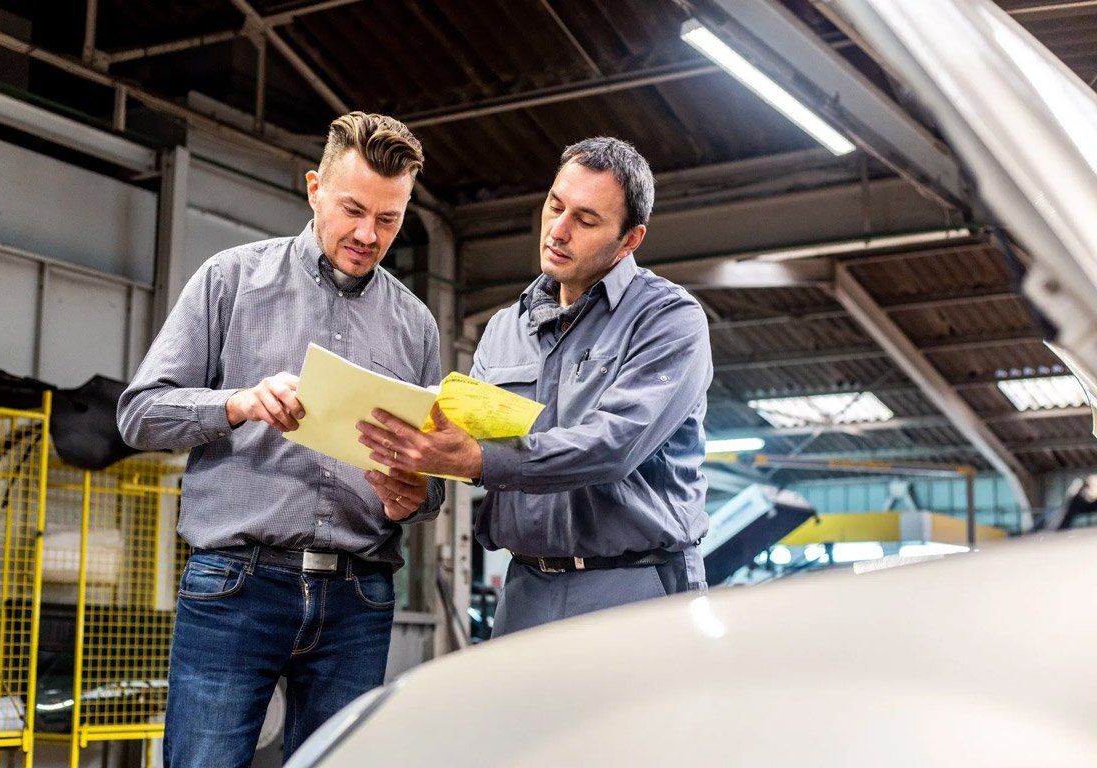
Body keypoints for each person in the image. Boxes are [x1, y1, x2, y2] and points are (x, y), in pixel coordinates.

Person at [117, 111, 444, 767]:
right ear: (314, 189)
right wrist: (237, 403)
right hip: (234, 585)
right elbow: (139, 414)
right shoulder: (230, 280)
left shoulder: (416, 326)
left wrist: (416, 495)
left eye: (388, 219)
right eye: (353, 210)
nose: (367, 234)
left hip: (359, 598)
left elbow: (433, 485)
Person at [358, 137, 712, 636]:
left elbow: (613, 445)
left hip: (635, 585)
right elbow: (464, 440)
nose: (558, 230)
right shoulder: (506, 328)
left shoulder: (667, 320)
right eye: (555, 206)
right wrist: (418, 486)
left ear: (630, 239)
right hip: (525, 588)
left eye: (586, 220)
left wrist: (477, 461)